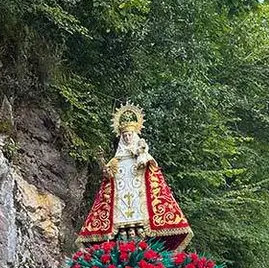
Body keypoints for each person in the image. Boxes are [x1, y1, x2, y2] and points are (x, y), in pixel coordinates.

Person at [76, 104, 193, 250]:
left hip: (139, 197)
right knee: (120, 228)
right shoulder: (116, 159)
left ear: (135, 134)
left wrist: (142, 157)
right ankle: (122, 240)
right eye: (124, 135)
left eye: (129, 135)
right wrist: (104, 166)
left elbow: (152, 170)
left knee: (142, 223)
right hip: (121, 200)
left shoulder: (142, 154)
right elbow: (108, 177)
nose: (126, 137)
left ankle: (143, 241)